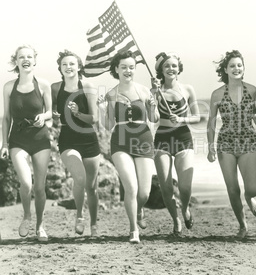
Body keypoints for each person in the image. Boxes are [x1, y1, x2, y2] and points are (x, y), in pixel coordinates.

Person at [207, 50, 256, 238]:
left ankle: (249, 198)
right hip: (225, 143)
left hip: (248, 140)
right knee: (232, 188)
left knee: (253, 188)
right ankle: (243, 225)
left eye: (239, 65)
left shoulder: (251, 90)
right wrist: (210, 147)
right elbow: (211, 122)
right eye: (232, 66)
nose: (236, 68)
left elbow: (254, 116)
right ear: (225, 70)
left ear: (244, 68)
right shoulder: (217, 94)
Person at [97, 50, 159, 243]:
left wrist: (153, 103)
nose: (128, 70)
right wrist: (101, 109)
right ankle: (134, 230)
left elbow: (154, 118)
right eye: (123, 67)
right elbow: (108, 126)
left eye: (131, 67)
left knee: (144, 193)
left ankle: (139, 209)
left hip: (144, 140)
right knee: (131, 188)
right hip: (120, 142)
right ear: (116, 69)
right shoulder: (111, 94)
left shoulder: (144, 91)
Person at [0, 45, 52, 241]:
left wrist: (43, 116)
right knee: (26, 182)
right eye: (21, 57)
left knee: (39, 187)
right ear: (16, 61)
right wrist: (4, 144)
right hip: (18, 140)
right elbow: (5, 119)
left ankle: (40, 226)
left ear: (35, 60)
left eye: (29, 56)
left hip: (40, 139)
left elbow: (50, 113)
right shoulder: (8, 87)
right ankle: (27, 216)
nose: (26, 59)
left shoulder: (44, 85)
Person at [51, 50, 101, 237]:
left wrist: (78, 113)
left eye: (72, 64)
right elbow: (49, 107)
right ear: (60, 68)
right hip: (67, 138)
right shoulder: (55, 87)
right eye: (64, 64)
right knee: (80, 178)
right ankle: (79, 215)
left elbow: (94, 119)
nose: (68, 67)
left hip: (88, 137)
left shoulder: (87, 86)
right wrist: (54, 113)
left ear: (79, 67)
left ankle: (94, 225)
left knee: (92, 186)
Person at [151, 52, 201, 235]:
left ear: (179, 68)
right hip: (162, 138)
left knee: (185, 186)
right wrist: (154, 94)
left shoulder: (187, 89)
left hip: (183, 137)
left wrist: (181, 118)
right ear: (161, 70)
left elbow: (196, 117)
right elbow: (152, 117)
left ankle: (185, 208)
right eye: (166, 66)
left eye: (173, 65)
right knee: (165, 187)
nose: (170, 69)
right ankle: (175, 220)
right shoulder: (155, 92)